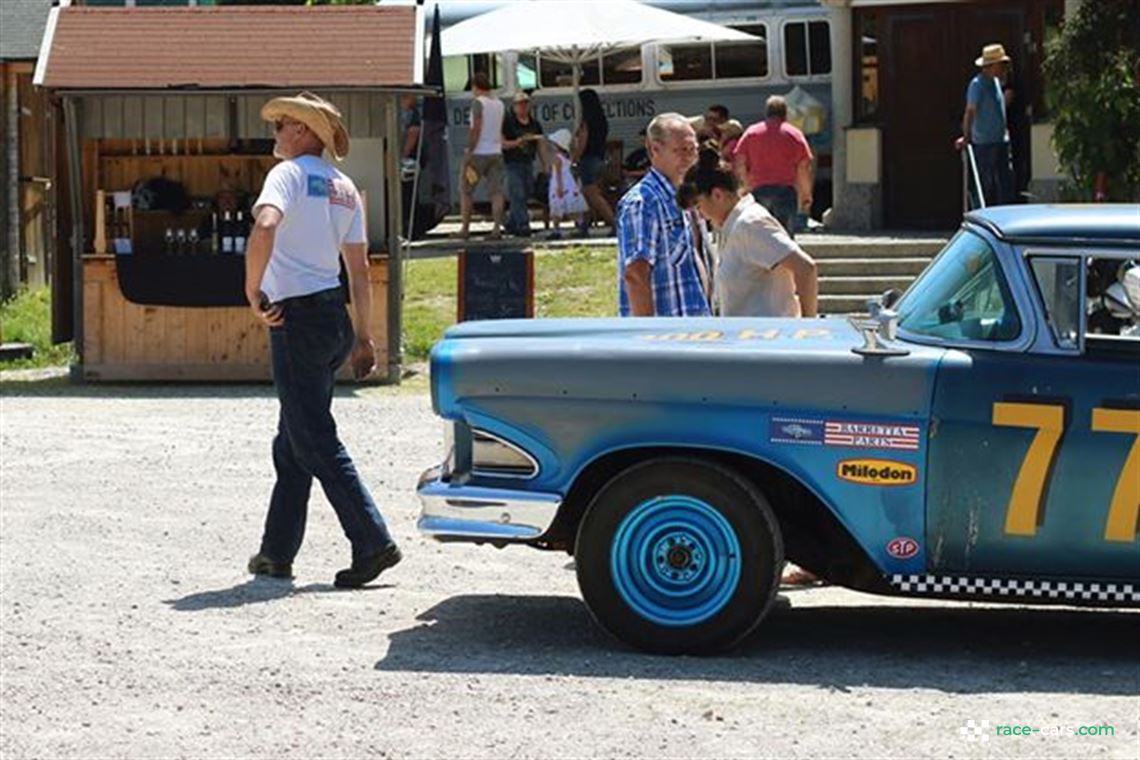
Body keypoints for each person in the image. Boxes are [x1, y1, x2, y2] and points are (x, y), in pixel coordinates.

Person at [244, 92, 400, 588]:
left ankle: (372, 540)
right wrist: (365, 337)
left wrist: (252, 288)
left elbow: (265, 224)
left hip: (298, 320)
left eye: (284, 124)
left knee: (313, 438)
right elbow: (359, 269)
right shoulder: (345, 187)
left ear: (304, 132)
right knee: (294, 440)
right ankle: (275, 553)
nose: (277, 131)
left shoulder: (286, 175)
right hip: (333, 315)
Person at [679, 144, 818, 318]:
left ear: (717, 195)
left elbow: (805, 267)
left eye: (699, 206)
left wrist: (809, 330)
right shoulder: (732, 225)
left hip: (768, 339)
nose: (700, 215)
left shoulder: (750, 223)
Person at [616, 113, 710, 317]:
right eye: (680, 150)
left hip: (694, 331)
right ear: (654, 150)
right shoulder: (643, 203)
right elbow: (635, 275)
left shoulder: (685, 198)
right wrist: (650, 337)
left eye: (693, 149)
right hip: (664, 337)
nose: (689, 157)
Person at [732, 95, 813, 238]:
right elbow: (803, 167)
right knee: (784, 239)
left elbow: (739, 161)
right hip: (785, 191)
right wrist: (805, 193)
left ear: (766, 112)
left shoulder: (751, 132)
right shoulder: (794, 134)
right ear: (785, 113)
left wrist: (745, 185)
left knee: (760, 237)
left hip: (758, 190)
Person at [955, 43, 1015, 207]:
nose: (1003, 68)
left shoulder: (996, 83)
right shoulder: (977, 85)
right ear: (991, 66)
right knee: (983, 186)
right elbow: (970, 112)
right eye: (1000, 64)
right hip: (984, 144)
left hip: (1001, 141)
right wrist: (966, 136)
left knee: (1005, 184)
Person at [459, 72, 506, 239]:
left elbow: (476, 129)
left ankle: (465, 229)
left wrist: (469, 151)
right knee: (496, 192)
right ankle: (496, 228)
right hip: (496, 152)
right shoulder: (499, 104)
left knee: (466, 190)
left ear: (475, 86)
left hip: (479, 153)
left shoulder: (478, 103)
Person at [501, 90, 544, 237]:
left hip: (528, 162)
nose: (523, 107)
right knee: (517, 192)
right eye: (520, 104)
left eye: (526, 104)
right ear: (514, 106)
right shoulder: (508, 123)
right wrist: (518, 142)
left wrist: (545, 164)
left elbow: (540, 145)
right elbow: (502, 143)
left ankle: (511, 222)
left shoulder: (534, 123)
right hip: (512, 162)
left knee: (526, 192)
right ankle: (523, 224)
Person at [573, 88, 615, 234]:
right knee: (587, 194)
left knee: (592, 194)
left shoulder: (587, 122)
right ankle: (584, 225)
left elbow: (583, 141)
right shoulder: (602, 120)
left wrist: (575, 157)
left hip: (588, 159)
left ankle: (614, 222)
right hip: (599, 158)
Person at [545, 129, 589, 239]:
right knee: (572, 207)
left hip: (559, 184)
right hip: (569, 183)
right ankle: (581, 225)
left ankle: (556, 230)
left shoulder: (556, 158)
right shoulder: (567, 157)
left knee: (557, 207)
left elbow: (558, 173)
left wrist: (559, 187)